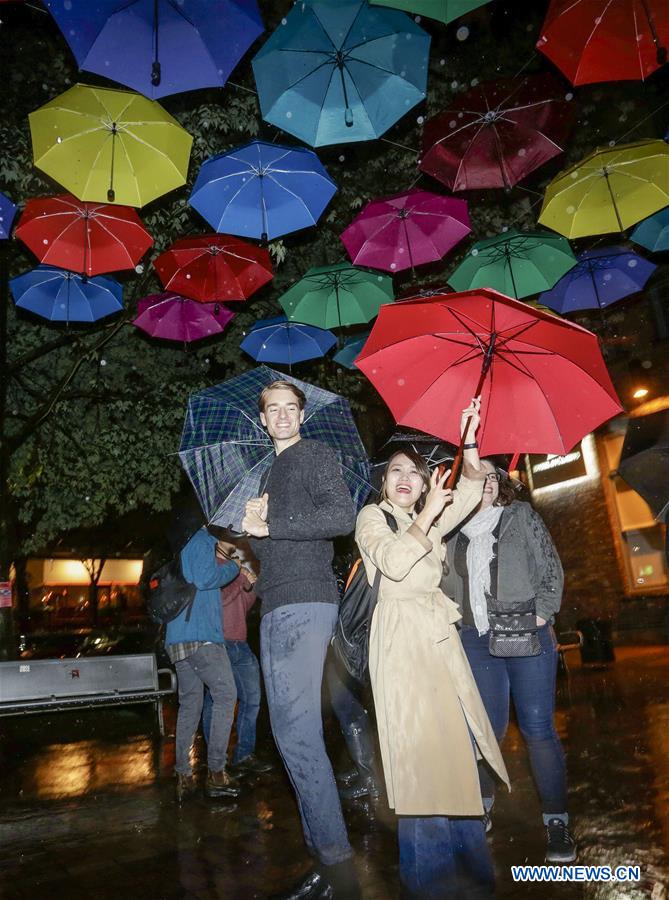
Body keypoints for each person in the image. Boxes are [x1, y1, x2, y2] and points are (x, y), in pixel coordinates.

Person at [354, 400, 509, 899]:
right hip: (400, 646)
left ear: (424, 484)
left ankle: (473, 881)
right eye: (396, 471)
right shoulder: (372, 518)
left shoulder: (427, 516)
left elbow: (467, 490)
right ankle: (430, 886)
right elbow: (396, 563)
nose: (405, 478)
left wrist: (468, 439)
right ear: (384, 482)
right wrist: (426, 519)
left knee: (455, 756)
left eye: (415, 473)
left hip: (439, 645)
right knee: (421, 763)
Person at [242, 379, 359, 900]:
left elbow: (342, 515)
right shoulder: (270, 471)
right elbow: (279, 550)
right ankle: (324, 856)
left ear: (302, 416)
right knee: (290, 735)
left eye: (292, 407)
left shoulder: (313, 454)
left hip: (305, 604)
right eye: (275, 409)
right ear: (263, 419)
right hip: (277, 604)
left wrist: (274, 525)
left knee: (300, 736)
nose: (284, 415)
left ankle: (339, 870)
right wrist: (253, 529)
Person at [444, 460, 577, 863]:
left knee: (538, 728)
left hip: (528, 633)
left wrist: (543, 611)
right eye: (472, 474)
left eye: (489, 474)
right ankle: (481, 804)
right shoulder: (449, 531)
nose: (483, 481)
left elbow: (551, 568)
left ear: (500, 481)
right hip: (476, 640)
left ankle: (557, 821)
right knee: (487, 731)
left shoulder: (520, 515)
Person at [164, 522, 243, 804]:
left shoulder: (183, 543)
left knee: (190, 705)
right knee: (226, 695)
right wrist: (235, 567)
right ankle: (217, 773)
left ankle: (184, 776)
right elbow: (206, 579)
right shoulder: (199, 539)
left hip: (180, 638)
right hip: (201, 638)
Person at [201, 540, 273, 776]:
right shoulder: (211, 567)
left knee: (252, 698)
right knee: (216, 699)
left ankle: (243, 755)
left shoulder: (236, 566)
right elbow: (217, 603)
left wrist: (251, 586)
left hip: (239, 645)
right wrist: (239, 578)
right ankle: (215, 762)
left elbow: (242, 605)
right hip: (218, 644)